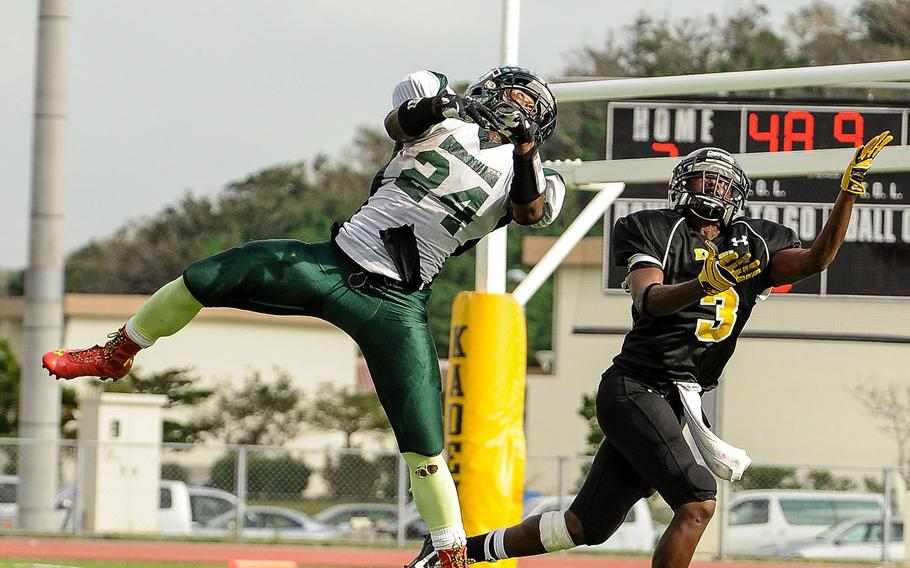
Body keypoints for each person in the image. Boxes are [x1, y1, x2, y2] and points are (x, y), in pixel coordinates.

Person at [42, 66, 564, 568]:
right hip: (333, 263)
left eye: (526, 107)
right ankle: (118, 352)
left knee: (425, 443)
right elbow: (398, 122)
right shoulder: (444, 119)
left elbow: (529, 212)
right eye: (511, 96)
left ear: (537, 126)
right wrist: (439, 104)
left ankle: (448, 553)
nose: (513, 109)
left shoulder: (536, 173)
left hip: (397, 304)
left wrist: (522, 151)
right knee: (202, 277)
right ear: (489, 89)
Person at [405, 131, 893, 568]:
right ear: (682, 187)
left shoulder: (756, 240)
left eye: (719, 183)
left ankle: (454, 555)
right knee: (699, 500)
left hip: (676, 399)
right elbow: (650, 299)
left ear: (736, 195)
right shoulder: (653, 227)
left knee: (586, 526)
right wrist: (705, 281)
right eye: (700, 180)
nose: (709, 188)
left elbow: (815, 259)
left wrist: (846, 195)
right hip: (635, 387)